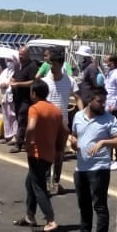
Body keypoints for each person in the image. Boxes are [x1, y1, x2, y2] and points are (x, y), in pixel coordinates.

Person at [66, 86, 117, 232]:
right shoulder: (78, 116)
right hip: (81, 168)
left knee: (99, 206)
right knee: (84, 205)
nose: (103, 105)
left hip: (99, 168)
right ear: (90, 101)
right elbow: (75, 134)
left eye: (104, 102)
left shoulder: (109, 119)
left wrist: (103, 143)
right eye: (99, 102)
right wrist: (73, 141)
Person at [16, 81, 65, 232]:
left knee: (38, 187)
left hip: (36, 154)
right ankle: (30, 216)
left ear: (34, 94)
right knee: (29, 182)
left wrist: (28, 143)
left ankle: (50, 221)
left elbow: (31, 127)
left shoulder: (35, 108)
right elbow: (65, 131)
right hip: (49, 154)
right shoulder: (56, 110)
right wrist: (59, 149)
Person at [41, 49, 75, 193]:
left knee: (59, 154)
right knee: (48, 153)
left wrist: (82, 117)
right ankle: (47, 180)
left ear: (61, 64)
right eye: (50, 64)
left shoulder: (70, 81)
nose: (51, 67)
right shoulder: (44, 81)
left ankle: (55, 181)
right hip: (47, 124)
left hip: (63, 123)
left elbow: (78, 97)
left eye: (54, 64)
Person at [9, 54, 40, 152]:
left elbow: (33, 81)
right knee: (20, 120)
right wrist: (12, 81)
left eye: (23, 54)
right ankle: (25, 141)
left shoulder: (32, 66)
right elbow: (14, 77)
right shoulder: (18, 66)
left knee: (22, 120)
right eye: (20, 54)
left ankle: (18, 144)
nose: (21, 56)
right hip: (17, 98)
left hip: (27, 99)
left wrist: (18, 84)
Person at [103, 54, 117, 170]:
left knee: (116, 134)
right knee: (108, 134)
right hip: (107, 107)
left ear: (112, 62)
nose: (104, 63)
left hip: (114, 109)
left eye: (106, 61)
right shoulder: (108, 74)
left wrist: (114, 103)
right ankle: (109, 159)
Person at [0, 57, 18, 145]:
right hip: (4, 96)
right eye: (7, 61)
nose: (9, 62)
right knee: (5, 116)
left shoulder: (16, 71)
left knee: (13, 116)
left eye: (10, 60)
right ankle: (8, 136)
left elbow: (14, 82)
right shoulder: (5, 71)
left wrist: (7, 84)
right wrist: (1, 84)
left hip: (11, 96)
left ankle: (15, 136)